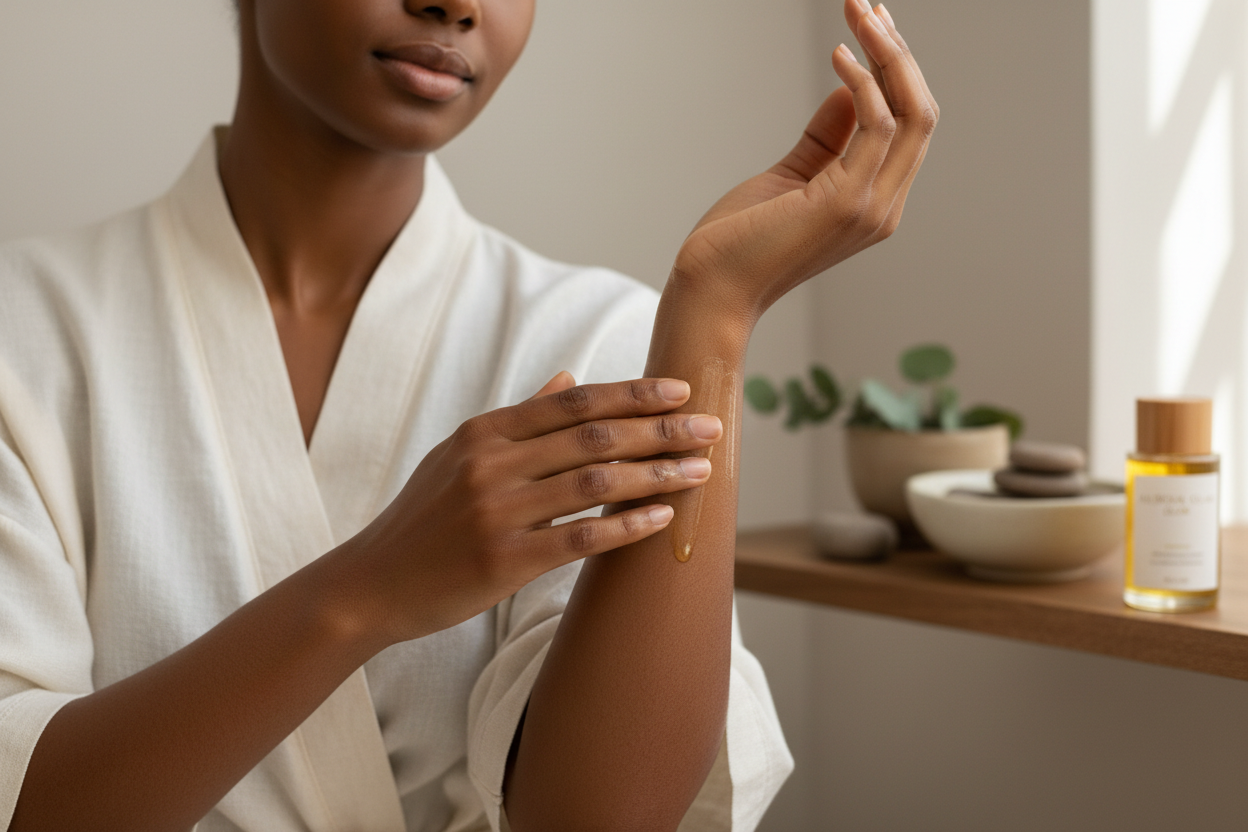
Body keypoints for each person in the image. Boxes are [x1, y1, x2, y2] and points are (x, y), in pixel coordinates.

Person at [0, 0, 937, 829]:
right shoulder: (22, 331)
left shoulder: (596, 338)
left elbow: (598, 821)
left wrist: (717, 310)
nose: (453, 6)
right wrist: (369, 591)